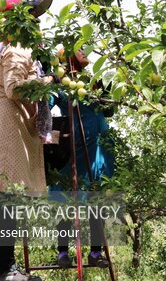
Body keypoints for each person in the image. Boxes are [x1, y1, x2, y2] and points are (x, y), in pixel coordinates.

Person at [0, 0, 55, 281]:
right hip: (7, 122)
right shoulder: (17, 49)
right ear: (19, 23)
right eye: (31, 19)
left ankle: (7, 266)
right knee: (7, 198)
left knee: (7, 196)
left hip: (2, 121)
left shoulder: (4, 48)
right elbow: (13, 88)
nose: (36, 25)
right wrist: (47, 81)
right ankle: (4, 270)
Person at [48, 49, 116, 268]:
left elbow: (109, 111)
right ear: (68, 58)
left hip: (98, 147)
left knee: (96, 197)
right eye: (80, 49)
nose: (86, 51)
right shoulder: (62, 83)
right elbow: (47, 104)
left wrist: (106, 88)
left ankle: (95, 252)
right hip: (72, 148)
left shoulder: (94, 79)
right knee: (66, 197)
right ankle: (63, 252)